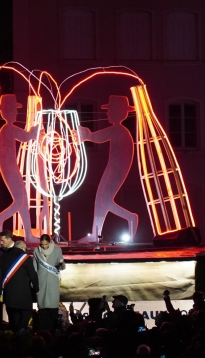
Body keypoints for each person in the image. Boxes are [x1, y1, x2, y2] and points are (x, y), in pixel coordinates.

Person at [78, 95, 139, 243]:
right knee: (99, 199)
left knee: (105, 199)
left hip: (117, 170)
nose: (107, 114)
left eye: (110, 111)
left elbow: (96, 138)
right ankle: (95, 233)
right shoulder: (119, 130)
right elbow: (95, 137)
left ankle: (131, 217)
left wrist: (86, 135)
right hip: (112, 167)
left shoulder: (119, 130)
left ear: (119, 112)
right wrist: (86, 135)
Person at [0, 94, 39, 244]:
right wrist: (35, 131)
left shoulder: (7, 129)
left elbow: (26, 136)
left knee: (23, 200)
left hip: (12, 167)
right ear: (5, 112)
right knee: (19, 201)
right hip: (9, 168)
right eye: (13, 110)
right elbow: (26, 137)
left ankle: (28, 235)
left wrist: (33, 133)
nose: (16, 113)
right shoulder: (7, 129)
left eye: (15, 110)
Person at [0, 239, 39, 332]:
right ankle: (20, 334)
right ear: (23, 248)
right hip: (23, 296)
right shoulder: (26, 258)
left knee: (13, 317)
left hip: (9, 296)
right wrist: (37, 289)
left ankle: (15, 336)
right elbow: (33, 276)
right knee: (26, 313)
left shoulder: (3, 257)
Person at [33, 234, 65, 331]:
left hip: (53, 283)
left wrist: (61, 265)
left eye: (46, 244)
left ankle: (52, 333)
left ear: (50, 242)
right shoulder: (36, 251)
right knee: (42, 309)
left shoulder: (57, 250)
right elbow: (34, 269)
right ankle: (43, 332)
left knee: (53, 309)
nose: (44, 246)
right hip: (41, 282)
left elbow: (62, 265)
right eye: (42, 244)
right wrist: (34, 283)